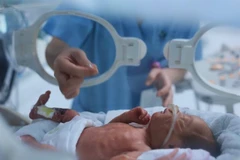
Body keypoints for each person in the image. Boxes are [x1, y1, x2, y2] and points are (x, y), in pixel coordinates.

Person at [43, 2, 202, 113]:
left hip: (153, 119)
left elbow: (185, 62)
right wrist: (65, 64)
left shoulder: (186, 9)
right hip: (94, 118)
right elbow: (55, 50)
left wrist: (169, 74)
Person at [18, 91, 219, 160]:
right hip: (83, 128)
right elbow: (109, 128)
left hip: (67, 149)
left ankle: (30, 147)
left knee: (51, 155)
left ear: (170, 146)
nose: (175, 110)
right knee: (70, 114)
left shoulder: (142, 150)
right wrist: (127, 116)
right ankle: (40, 111)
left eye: (180, 119)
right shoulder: (139, 128)